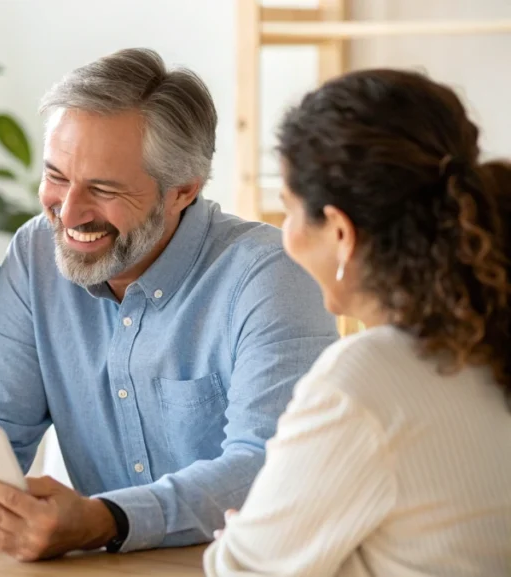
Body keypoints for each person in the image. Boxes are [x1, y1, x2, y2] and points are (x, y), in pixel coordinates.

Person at [0, 48, 338, 560]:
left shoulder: (270, 274)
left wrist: (106, 520)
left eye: (103, 188)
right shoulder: (35, 253)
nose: (68, 211)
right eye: (56, 176)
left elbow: (267, 466)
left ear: (183, 191)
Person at [204, 69, 511, 576]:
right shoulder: (488, 341)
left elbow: (242, 570)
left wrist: (243, 536)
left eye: (290, 212)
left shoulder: (366, 378)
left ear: (342, 233)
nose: (287, 234)